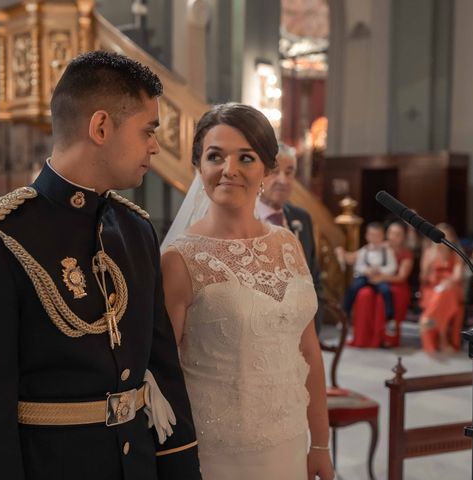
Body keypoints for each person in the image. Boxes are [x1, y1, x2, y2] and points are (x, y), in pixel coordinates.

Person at [0, 51, 201, 480]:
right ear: (100, 127)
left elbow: (162, 369)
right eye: (147, 130)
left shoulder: (134, 231)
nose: (155, 145)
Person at [161, 103, 334, 480]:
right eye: (215, 156)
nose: (229, 170)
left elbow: (308, 350)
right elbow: (162, 372)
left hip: (289, 442)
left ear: (266, 170)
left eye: (246, 157)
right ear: (198, 167)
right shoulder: (180, 259)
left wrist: (319, 443)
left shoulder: (289, 244)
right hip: (218, 453)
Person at [257, 142, 323, 332]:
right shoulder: (243, 218)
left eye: (289, 172)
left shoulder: (302, 218)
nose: (283, 180)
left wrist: (312, 329)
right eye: (275, 171)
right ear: (259, 173)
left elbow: (314, 280)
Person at [348, 221, 414, 348]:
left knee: (381, 300)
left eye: (397, 234)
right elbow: (355, 256)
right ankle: (362, 336)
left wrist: (381, 277)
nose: (393, 237)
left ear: (403, 237)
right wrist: (343, 253)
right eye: (390, 233)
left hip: (395, 285)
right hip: (376, 281)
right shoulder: (379, 245)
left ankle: (386, 337)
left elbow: (401, 277)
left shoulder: (406, 253)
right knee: (363, 294)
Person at [338, 222, 397, 325]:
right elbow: (358, 266)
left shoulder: (387, 251)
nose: (375, 238)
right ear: (367, 236)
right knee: (353, 287)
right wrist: (366, 270)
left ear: (383, 236)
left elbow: (392, 266)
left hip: (380, 277)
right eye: (372, 235)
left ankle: (390, 318)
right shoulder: (364, 250)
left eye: (377, 235)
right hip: (365, 276)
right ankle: (345, 313)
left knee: (386, 291)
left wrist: (380, 270)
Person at [419, 223, 464, 353]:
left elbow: (457, 276)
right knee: (441, 296)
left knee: (445, 293)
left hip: (451, 286)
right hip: (432, 288)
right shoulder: (429, 252)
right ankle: (443, 339)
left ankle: (427, 319)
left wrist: (446, 283)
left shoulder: (456, 254)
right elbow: (423, 278)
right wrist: (430, 262)